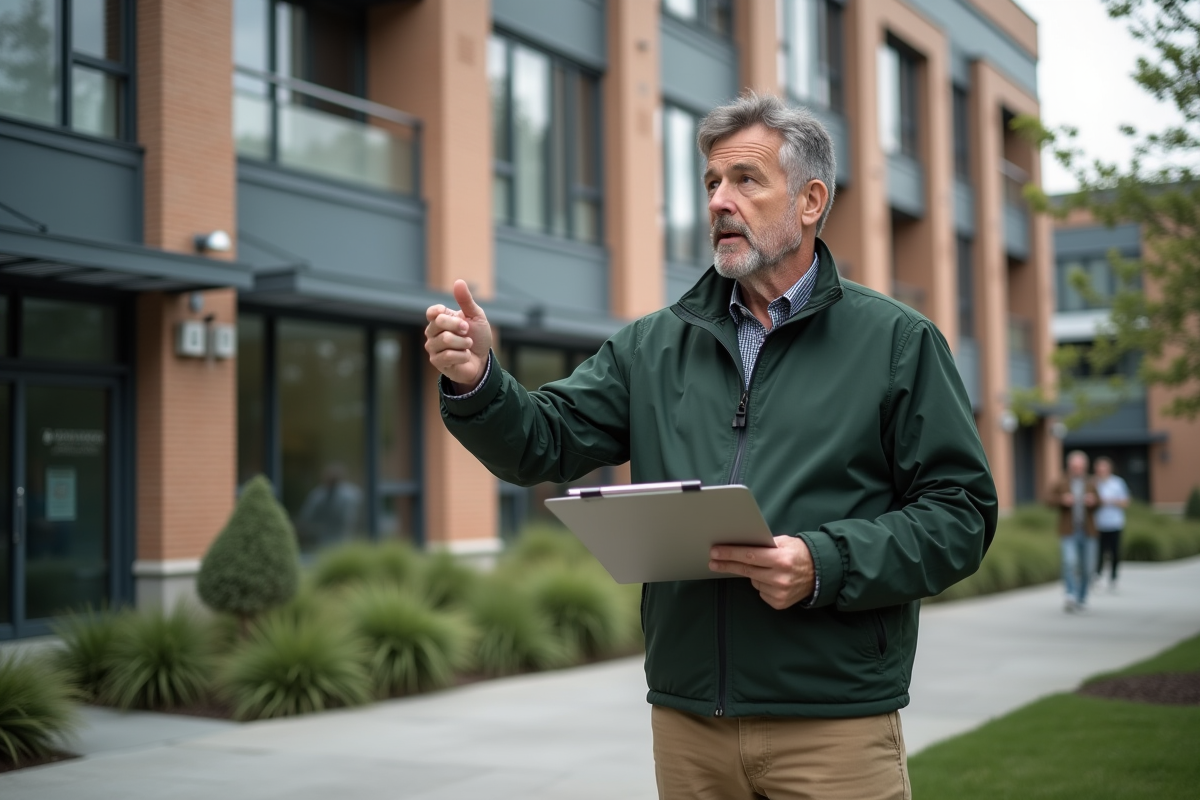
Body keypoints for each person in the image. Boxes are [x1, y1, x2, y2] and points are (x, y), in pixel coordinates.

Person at [425, 93, 997, 800]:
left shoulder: (897, 343)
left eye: (746, 180)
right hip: (688, 722)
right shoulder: (652, 345)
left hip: (832, 724)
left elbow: (961, 513)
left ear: (811, 200)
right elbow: (540, 443)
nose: (719, 201)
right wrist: (478, 380)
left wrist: (824, 562)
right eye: (710, 184)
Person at [1047, 450, 1099, 612]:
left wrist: (1094, 501)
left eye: (1080, 467)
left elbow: (1100, 502)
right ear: (1069, 466)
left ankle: (1081, 597)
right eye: (1074, 466)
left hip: (1088, 531)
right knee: (1069, 562)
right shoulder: (1061, 482)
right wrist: (1062, 500)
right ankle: (1070, 594)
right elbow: (1048, 500)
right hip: (1068, 530)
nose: (1077, 469)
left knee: (1087, 567)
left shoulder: (1091, 483)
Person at [1093, 456, 1130, 591]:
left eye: (1104, 468)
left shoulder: (1118, 483)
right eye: (1099, 468)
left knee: (1114, 552)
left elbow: (1125, 502)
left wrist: (1111, 501)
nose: (1101, 470)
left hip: (1115, 523)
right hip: (1098, 524)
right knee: (1099, 552)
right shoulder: (1093, 483)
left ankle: (1113, 578)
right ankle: (1097, 576)